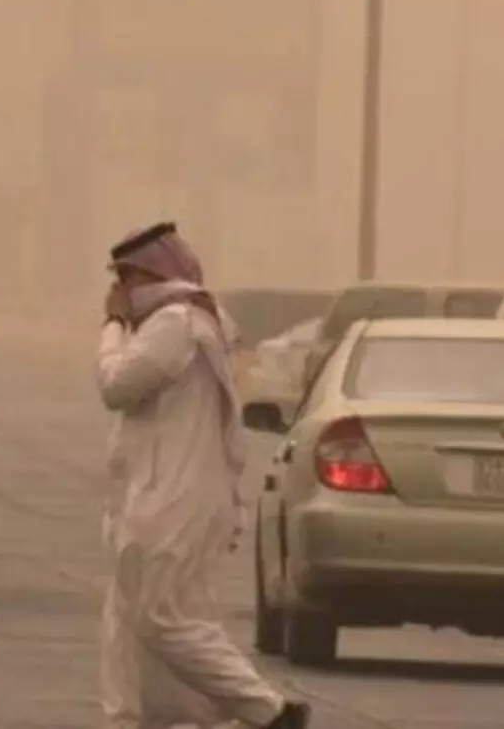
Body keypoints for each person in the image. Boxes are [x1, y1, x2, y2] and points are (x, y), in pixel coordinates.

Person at [96, 222, 310, 729]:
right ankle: (127, 719)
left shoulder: (177, 322)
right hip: (155, 495)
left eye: (122, 280)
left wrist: (111, 325)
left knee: (161, 619)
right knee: (124, 623)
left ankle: (267, 710)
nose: (117, 292)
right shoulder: (173, 322)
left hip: (173, 501)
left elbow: (116, 385)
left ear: (142, 276)